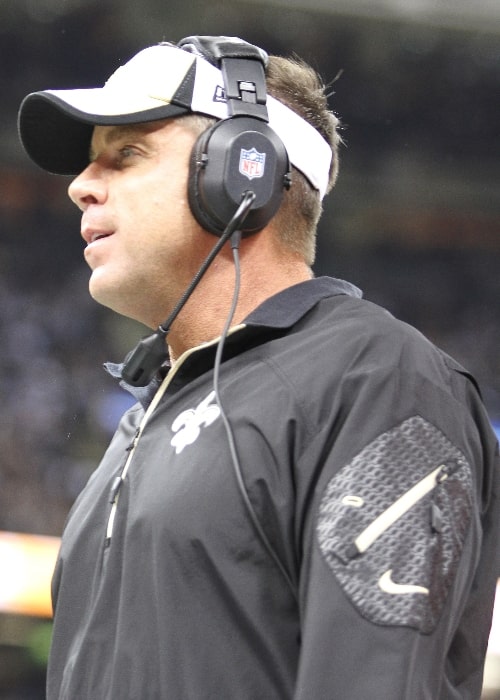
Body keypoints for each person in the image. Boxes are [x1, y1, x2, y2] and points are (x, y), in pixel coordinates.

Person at [18, 35, 500, 700]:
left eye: (125, 156)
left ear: (241, 171)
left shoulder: (375, 379)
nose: (79, 186)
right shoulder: (147, 420)